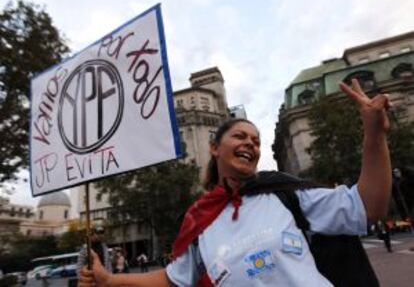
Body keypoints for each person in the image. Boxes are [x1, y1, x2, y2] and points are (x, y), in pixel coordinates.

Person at [78, 79, 392, 286]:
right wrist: (109, 281)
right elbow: (174, 279)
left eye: (256, 140)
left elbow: (368, 206)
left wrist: (374, 135)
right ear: (215, 148)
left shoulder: (284, 194)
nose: (250, 144)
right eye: (240, 136)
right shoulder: (200, 221)